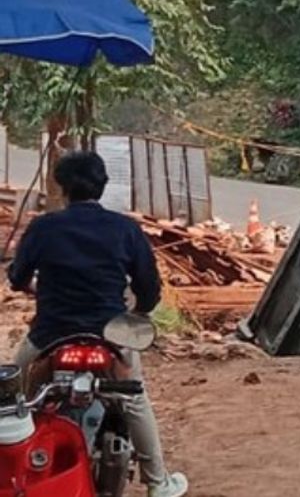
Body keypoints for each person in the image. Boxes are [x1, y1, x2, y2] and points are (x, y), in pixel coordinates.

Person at [8, 152, 189, 497]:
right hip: (110, 335)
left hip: (50, 335)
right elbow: (149, 289)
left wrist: (31, 286)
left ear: (62, 189)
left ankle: (15, 473)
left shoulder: (43, 227)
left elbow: (17, 277)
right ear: (103, 186)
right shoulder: (125, 229)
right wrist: (140, 311)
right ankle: (158, 483)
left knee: (15, 398)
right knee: (135, 400)